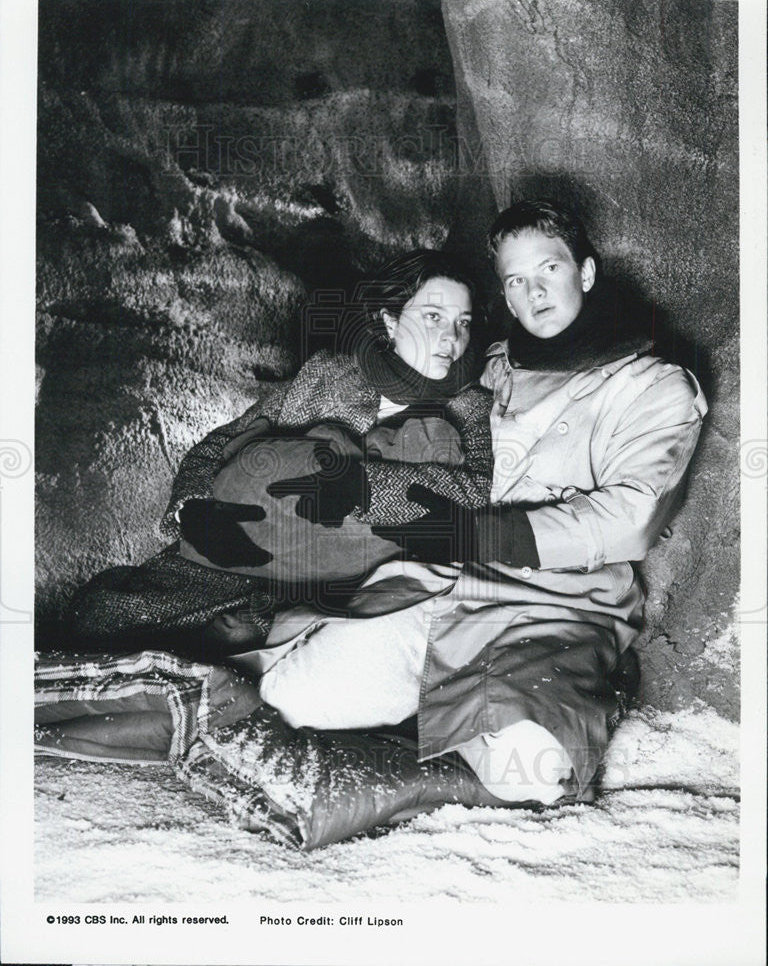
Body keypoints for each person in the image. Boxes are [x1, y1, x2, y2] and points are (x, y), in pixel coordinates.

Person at [240, 199, 707, 805]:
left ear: (585, 274)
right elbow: (394, 398)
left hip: (558, 608)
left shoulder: (656, 385)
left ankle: (564, 700)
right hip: (446, 588)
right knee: (292, 702)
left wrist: (487, 535)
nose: (534, 292)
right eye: (516, 280)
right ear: (505, 297)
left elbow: (633, 519)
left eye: (549, 271)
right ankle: (452, 716)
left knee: (531, 776)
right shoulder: (485, 370)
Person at [63, 249, 493, 658]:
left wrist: (363, 487)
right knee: (100, 615)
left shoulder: (470, 406)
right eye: (433, 317)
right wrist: (194, 510)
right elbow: (221, 441)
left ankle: (262, 636)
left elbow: (480, 493)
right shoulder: (327, 373)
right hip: (243, 554)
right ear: (390, 321)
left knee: (321, 653)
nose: (450, 338)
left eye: (463, 323)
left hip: (350, 578)